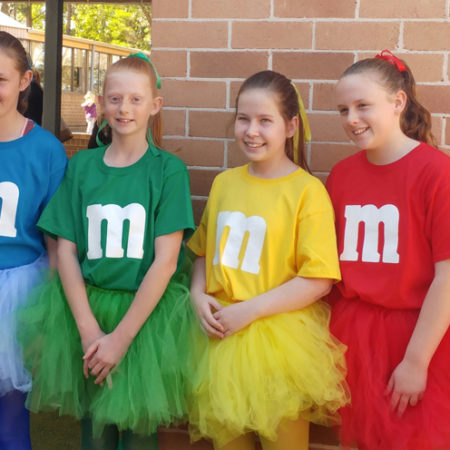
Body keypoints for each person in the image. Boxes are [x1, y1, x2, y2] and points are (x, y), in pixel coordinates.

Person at [19, 52, 202, 450]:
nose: (124, 108)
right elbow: (66, 251)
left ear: (155, 105)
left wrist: (120, 339)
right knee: (96, 435)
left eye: (136, 99)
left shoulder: (168, 170)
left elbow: (166, 261)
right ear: (101, 103)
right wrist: (89, 330)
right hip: (88, 311)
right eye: (115, 98)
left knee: (139, 436)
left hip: (144, 321)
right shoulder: (82, 167)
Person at [187, 70, 349, 450]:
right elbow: (204, 251)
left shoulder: (307, 192)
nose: (251, 131)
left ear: (290, 126)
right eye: (243, 119)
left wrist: (250, 311)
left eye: (265, 121)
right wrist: (197, 294)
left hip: (279, 343)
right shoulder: (225, 183)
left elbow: (318, 279)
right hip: (221, 335)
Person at [326, 50, 450, 450]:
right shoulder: (341, 175)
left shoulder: (437, 172)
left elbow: (447, 278)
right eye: (343, 110)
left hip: (418, 339)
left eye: (363, 106)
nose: (351, 119)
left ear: (398, 102)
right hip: (353, 336)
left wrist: (416, 362)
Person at [0, 31, 67, 449]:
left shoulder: (46, 150)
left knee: (10, 424)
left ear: (25, 81)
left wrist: (52, 315)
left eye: (0, 79)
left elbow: (57, 243)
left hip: (18, 297)